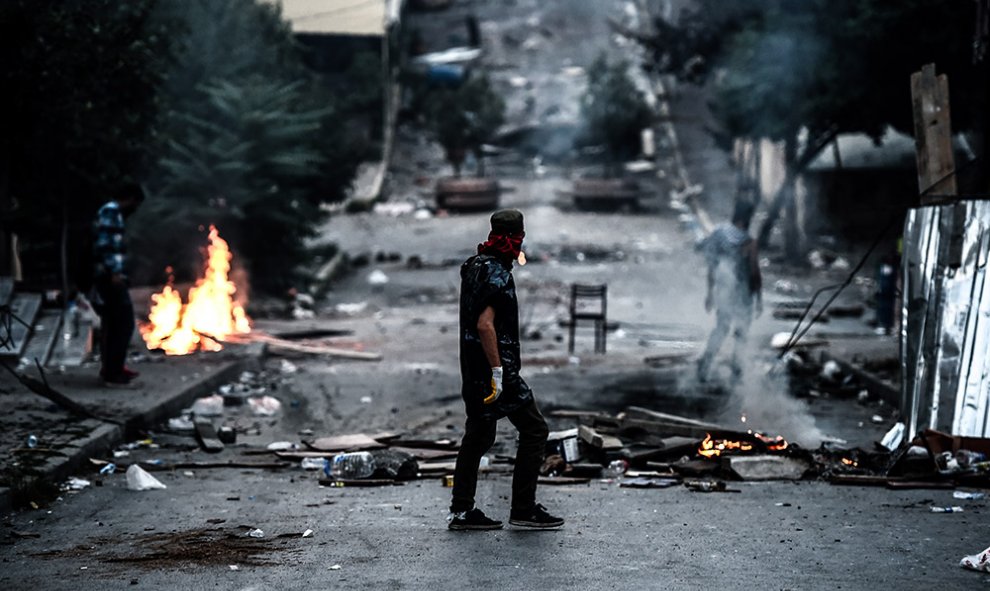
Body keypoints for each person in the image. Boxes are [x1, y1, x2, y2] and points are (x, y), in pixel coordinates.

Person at [448, 209, 563, 531]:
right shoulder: (496, 272)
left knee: (478, 437)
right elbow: (485, 325)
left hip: (473, 369)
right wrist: (498, 371)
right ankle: (524, 508)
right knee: (535, 430)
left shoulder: (475, 265)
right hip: (496, 372)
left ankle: (461, 511)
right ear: (517, 236)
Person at [697, 200, 762, 382]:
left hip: (724, 290)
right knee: (741, 332)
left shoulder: (718, 234)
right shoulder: (749, 242)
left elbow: (712, 265)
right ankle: (736, 369)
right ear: (745, 219)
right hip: (744, 293)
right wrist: (759, 299)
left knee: (721, 328)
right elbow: (755, 272)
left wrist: (710, 293)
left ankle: (705, 363)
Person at [92, 183, 144, 385]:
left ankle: (113, 368)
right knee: (123, 323)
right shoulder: (111, 211)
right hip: (109, 277)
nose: (135, 208)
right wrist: (114, 273)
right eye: (136, 203)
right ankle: (113, 372)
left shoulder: (113, 213)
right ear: (130, 198)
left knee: (113, 323)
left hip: (110, 276)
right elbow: (106, 245)